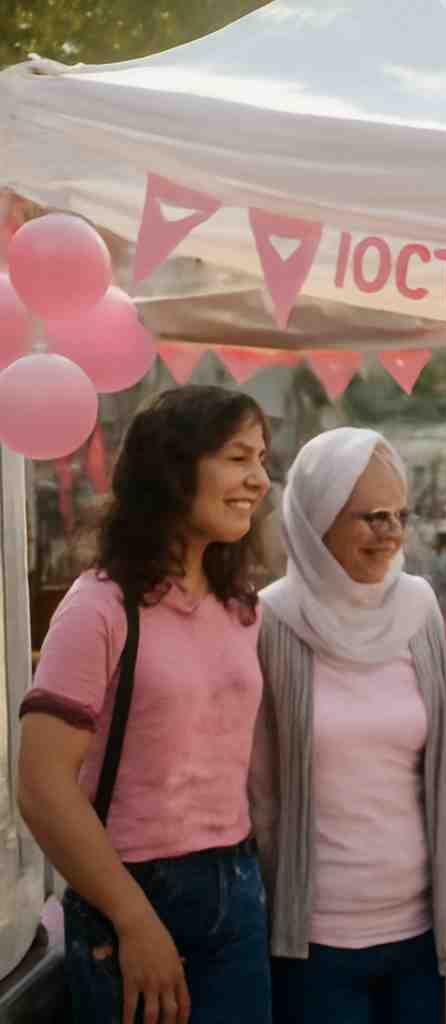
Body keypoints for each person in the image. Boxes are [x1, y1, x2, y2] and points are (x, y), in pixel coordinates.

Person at [17, 386, 274, 1024]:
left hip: (237, 887)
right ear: (175, 466)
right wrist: (134, 920)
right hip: (130, 892)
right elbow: (42, 785)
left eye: (263, 459)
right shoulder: (100, 607)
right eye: (238, 457)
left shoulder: (240, 609)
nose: (259, 479)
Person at [250, 428, 446, 1023]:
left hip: (415, 931)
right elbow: (259, 790)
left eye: (398, 515)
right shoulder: (270, 622)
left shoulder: (420, 610)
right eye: (370, 516)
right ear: (316, 521)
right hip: (314, 940)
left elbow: (438, 766)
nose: (390, 533)